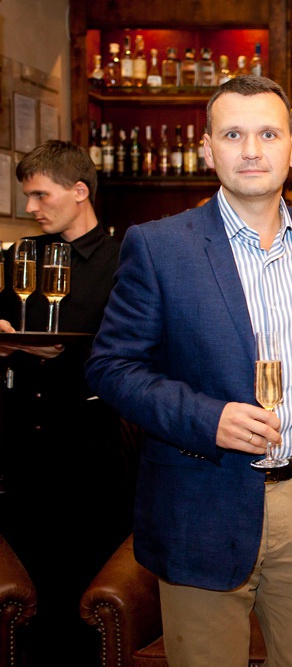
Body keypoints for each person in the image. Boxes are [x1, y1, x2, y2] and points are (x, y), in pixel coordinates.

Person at [85, 76, 292, 667]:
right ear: (207, 149)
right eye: (233, 135)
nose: (251, 150)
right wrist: (209, 419)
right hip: (201, 497)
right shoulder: (159, 246)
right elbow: (111, 366)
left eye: (268, 134)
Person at [0, 139, 126, 663]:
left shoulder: (125, 259)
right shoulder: (21, 256)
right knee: (29, 596)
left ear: (79, 190)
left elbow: (134, 351)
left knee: (86, 589)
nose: (31, 207)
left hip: (91, 450)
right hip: (22, 447)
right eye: (27, 196)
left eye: (40, 195)